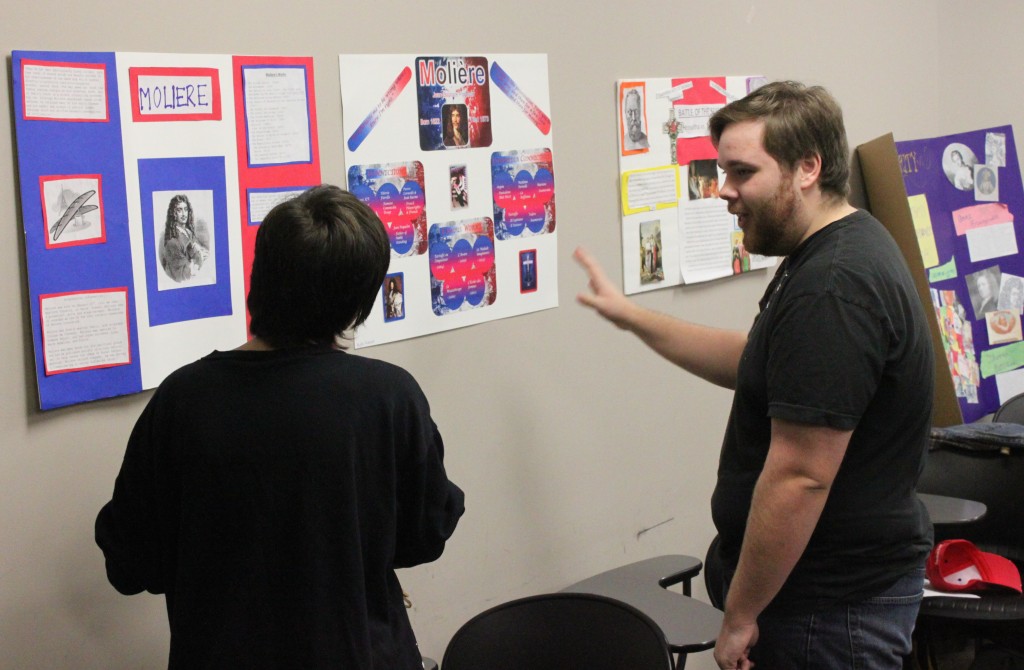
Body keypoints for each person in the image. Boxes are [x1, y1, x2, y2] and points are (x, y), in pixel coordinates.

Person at [575, 81, 933, 670]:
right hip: (822, 596)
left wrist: (739, 616)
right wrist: (633, 316)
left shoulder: (833, 287)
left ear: (807, 168)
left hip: (827, 610)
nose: (724, 191)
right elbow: (754, 363)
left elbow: (799, 477)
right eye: (722, 171)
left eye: (742, 172)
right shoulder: (833, 248)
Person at [96, 184, 465, 669]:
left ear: (261, 274)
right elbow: (428, 532)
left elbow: (129, 561)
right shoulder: (388, 397)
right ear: (357, 300)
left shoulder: (182, 400)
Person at [159, 194, 210, 282]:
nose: (184, 214)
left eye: (186, 209)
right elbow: (183, 274)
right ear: (173, 213)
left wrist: (202, 254)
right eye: (179, 210)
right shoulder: (172, 241)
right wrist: (199, 256)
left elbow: (198, 251)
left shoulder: (188, 232)